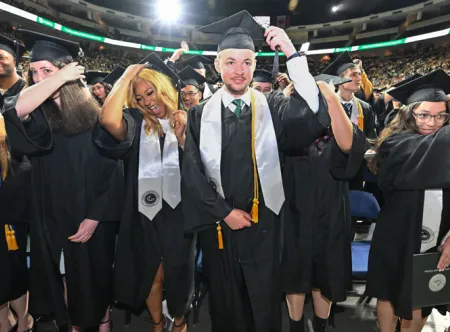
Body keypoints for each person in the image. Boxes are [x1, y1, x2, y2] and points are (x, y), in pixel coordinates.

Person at [181, 10, 332, 332]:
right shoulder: (198, 115)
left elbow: (315, 114)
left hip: (266, 221)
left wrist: (292, 54)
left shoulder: (274, 107)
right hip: (218, 224)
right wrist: (223, 212)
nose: (239, 71)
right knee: (224, 299)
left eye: (247, 62)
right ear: (217, 65)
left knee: (264, 299)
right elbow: (191, 172)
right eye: (231, 62)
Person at [7, 30, 119, 332]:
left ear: (68, 73)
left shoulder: (95, 117)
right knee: (62, 279)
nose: (39, 76)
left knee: (93, 278)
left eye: (48, 70)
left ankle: (103, 319)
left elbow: (112, 173)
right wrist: (55, 79)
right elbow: (13, 110)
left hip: (91, 214)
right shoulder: (38, 119)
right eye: (34, 71)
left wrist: (95, 217)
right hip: (50, 217)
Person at [95, 53, 194, 332]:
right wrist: (127, 77)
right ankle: (157, 322)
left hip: (181, 213)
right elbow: (107, 121)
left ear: (162, 87)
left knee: (179, 275)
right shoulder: (136, 124)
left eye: (150, 92)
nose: (147, 101)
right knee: (152, 274)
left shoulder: (189, 119)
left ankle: (181, 321)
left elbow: (201, 166)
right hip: (145, 211)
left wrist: (184, 135)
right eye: (139, 98)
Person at [366, 69, 450, 332]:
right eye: (423, 114)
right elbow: (431, 150)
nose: (432, 122)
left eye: (440, 115)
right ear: (408, 113)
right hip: (397, 233)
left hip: (438, 236)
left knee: (421, 296)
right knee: (389, 291)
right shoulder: (395, 144)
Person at [282, 74, 366, 332]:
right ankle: (295, 326)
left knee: (325, 274)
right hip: (292, 212)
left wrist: (329, 94)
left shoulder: (337, 130)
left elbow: (351, 144)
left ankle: (320, 325)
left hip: (330, 212)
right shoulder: (286, 131)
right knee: (294, 274)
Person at [0, 34, 34, 332]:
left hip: (21, 189)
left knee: (12, 257)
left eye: (3, 54)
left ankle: (23, 318)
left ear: (15, 58)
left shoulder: (31, 91)